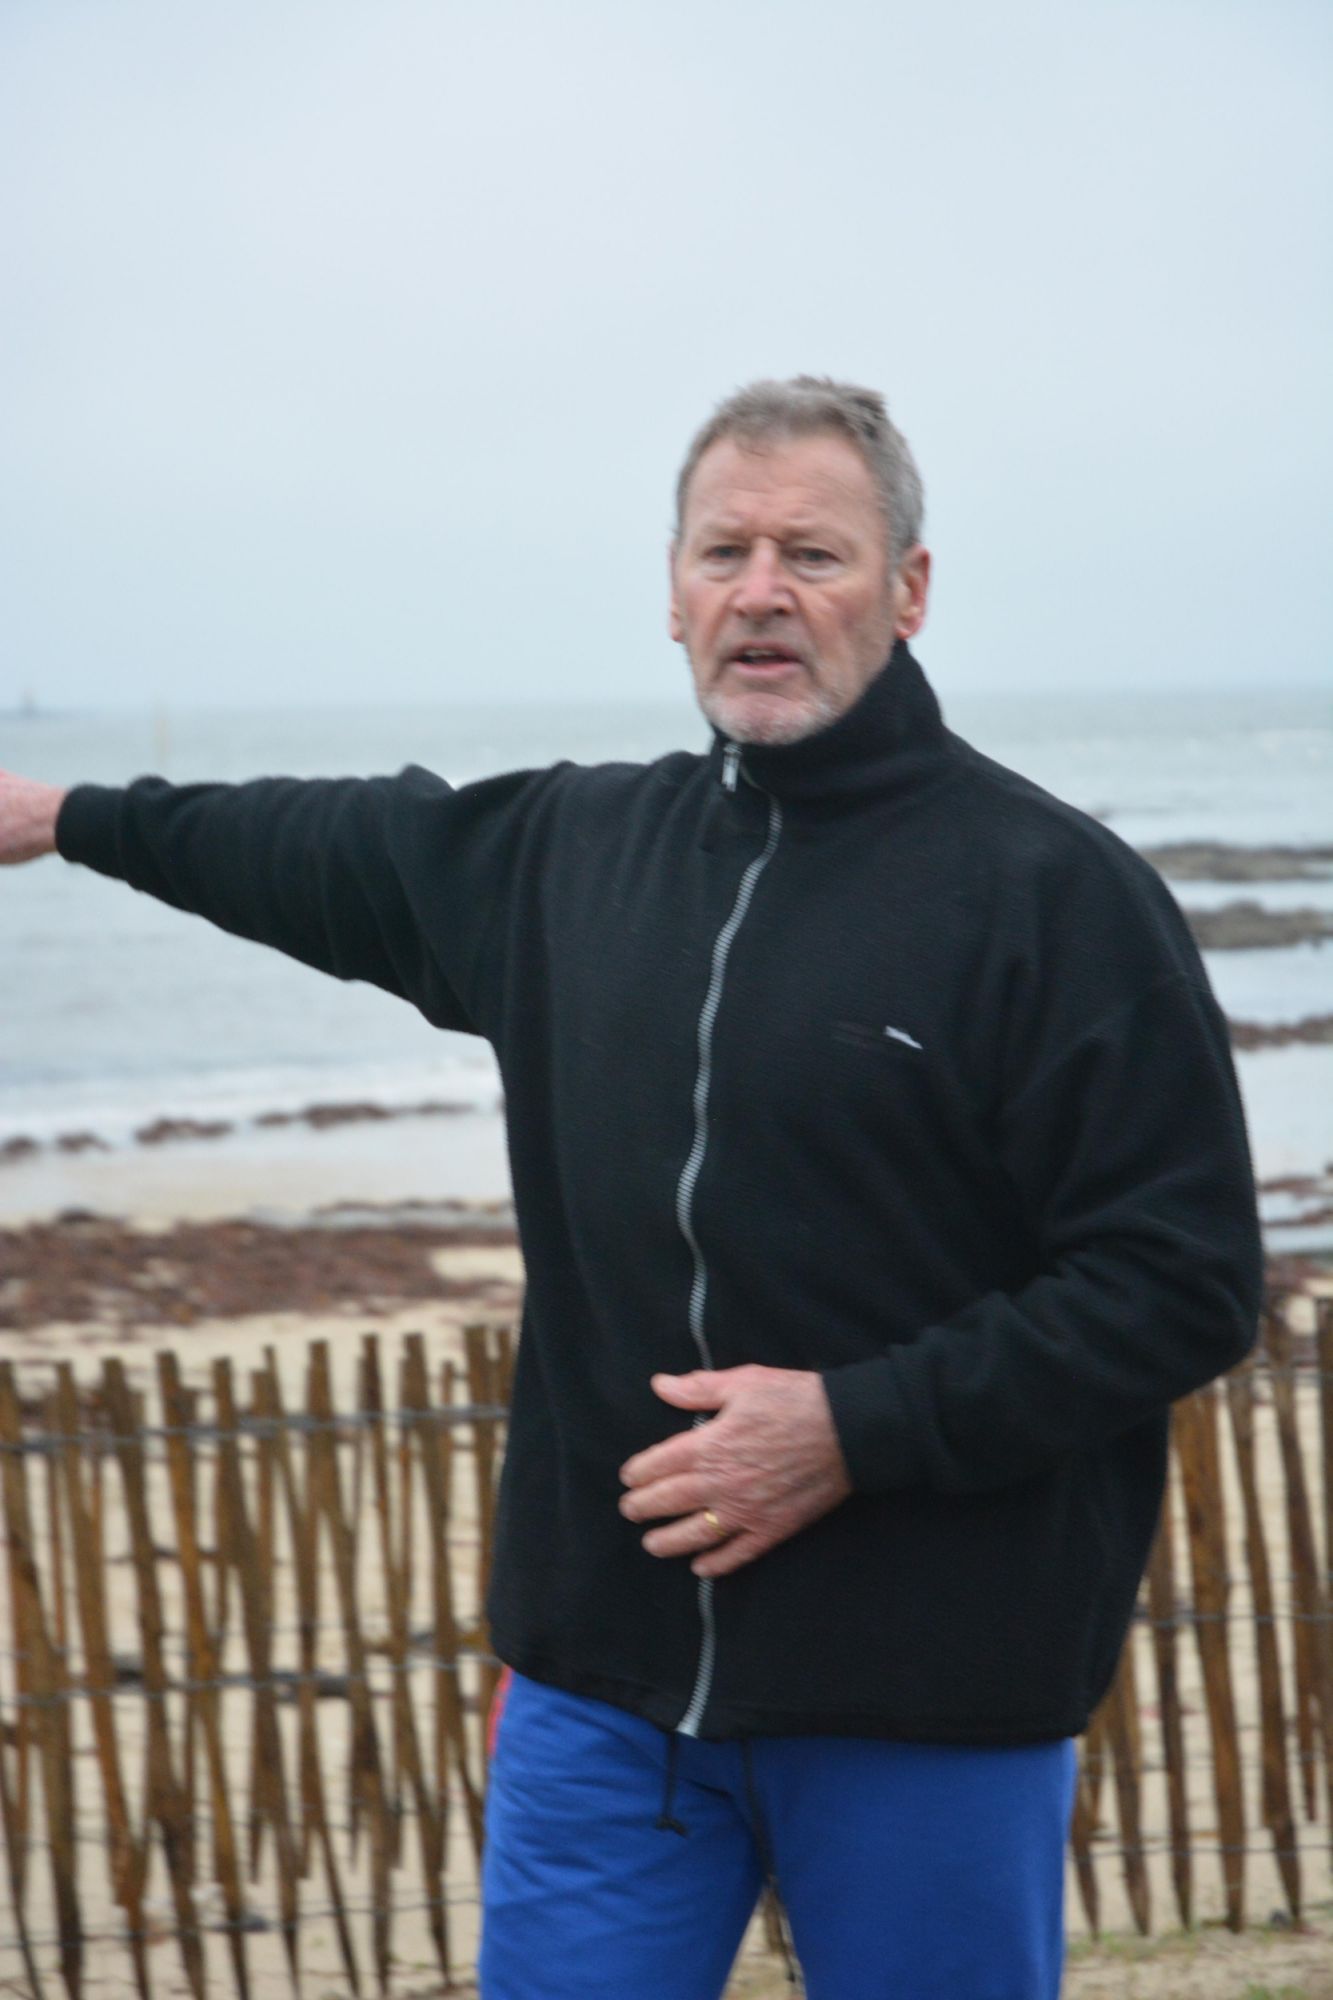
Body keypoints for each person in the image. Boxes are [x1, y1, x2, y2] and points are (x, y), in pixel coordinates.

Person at [0, 377, 1262, 1999]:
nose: (761, 591)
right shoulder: (569, 855)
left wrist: (851, 1427)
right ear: (671, 592)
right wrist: (69, 815)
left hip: (928, 1690)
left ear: (908, 589)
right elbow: (326, 845)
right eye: (723, 551)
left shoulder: (1052, 893)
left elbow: (1178, 1282)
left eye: (813, 553)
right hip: (604, 1689)